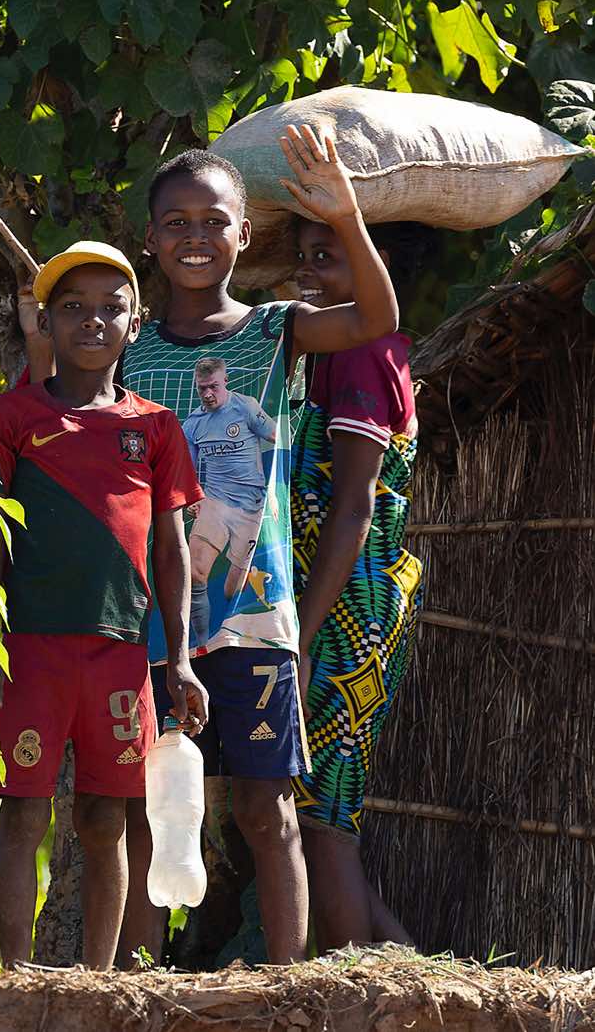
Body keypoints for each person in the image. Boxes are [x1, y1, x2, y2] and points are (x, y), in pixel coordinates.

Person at [20, 126, 399, 965]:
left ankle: (286, 992)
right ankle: (139, 986)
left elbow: (378, 317)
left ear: (242, 235)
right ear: (150, 239)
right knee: (149, 810)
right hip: (145, 618)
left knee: (267, 811)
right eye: (176, 223)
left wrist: (346, 214)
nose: (195, 236)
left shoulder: (275, 331)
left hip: (255, 613)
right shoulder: (126, 342)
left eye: (213, 221)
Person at [0, 242, 208, 971]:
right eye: (72, 308)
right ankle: (12, 973)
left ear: (136, 323)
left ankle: (95, 985)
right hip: (30, 649)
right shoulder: (6, 417)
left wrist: (181, 662)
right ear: (44, 320)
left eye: (111, 307)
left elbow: (171, 553)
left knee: (106, 818)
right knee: (24, 812)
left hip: (121, 653)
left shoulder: (156, 428)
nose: (92, 321)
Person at [290, 217, 427, 952]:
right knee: (312, 818)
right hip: (341, 605)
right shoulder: (334, 354)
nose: (310, 272)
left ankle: (354, 1003)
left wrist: (299, 638)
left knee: (322, 823)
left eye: (330, 258)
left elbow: (353, 505)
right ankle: (409, 985)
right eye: (303, 257)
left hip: (347, 612)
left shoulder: (363, 354)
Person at [183, 356, 277, 645]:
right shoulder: (193, 425)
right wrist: (193, 497)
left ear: (226, 381)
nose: (208, 394)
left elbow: (279, 438)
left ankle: (230, 639)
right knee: (195, 572)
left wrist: (278, 491)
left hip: (251, 507)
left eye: (213, 387)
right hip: (215, 501)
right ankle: (200, 644)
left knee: (231, 590)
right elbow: (187, 471)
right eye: (202, 389)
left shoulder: (246, 406)